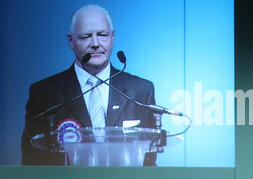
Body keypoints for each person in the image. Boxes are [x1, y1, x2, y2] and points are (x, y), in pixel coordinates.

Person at [21, 4, 157, 166]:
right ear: (71, 41)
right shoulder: (45, 94)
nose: (95, 43)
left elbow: (149, 161)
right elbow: (32, 161)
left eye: (102, 35)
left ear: (112, 37)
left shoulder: (141, 91)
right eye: (86, 36)